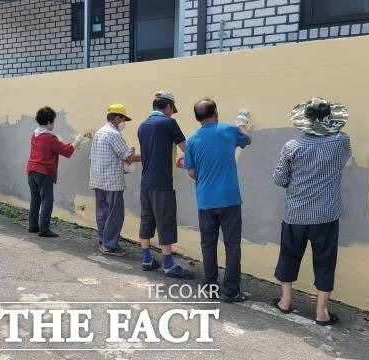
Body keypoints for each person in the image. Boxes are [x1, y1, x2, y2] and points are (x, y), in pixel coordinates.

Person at [272, 97, 351, 326]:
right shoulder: (342, 142)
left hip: (295, 214)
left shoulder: (292, 146)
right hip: (326, 215)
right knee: (325, 262)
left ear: (305, 121)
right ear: (330, 119)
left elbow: (279, 178)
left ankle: (285, 301)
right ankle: (321, 313)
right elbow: (345, 159)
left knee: (289, 256)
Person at [183, 98, 252, 302]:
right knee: (232, 245)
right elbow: (247, 139)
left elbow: (192, 172)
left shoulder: (192, 140)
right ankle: (231, 291)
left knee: (208, 244)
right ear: (216, 113)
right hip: (229, 199)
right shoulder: (229, 131)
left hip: (205, 200)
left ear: (197, 118)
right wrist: (242, 122)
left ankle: (211, 287)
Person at [137, 90, 192, 279]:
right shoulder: (169, 123)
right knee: (165, 221)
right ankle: (168, 264)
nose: (171, 112)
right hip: (163, 183)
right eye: (172, 109)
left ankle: (146, 259)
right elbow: (187, 148)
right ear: (168, 106)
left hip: (145, 181)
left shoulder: (142, 125)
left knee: (146, 219)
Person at [26, 106, 88, 238]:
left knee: (35, 199)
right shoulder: (49, 138)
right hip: (44, 172)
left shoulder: (35, 134)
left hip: (32, 171)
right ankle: (44, 229)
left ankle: (32, 226)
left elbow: (55, 148)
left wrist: (62, 142)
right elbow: (67, 151)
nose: (54, 124)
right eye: (53, 121)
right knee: (47, 201)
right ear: (48, 122)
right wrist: (79, 138)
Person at [89, 104, 141, 256]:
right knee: (115, 214)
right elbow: (129, 156)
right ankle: (109, 245)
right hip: (111, 181)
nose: (124, 122)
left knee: (102, 212)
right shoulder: (113, 133)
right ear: (117, 118)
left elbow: (95, 157)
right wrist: (149, 155)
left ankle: (103, 241)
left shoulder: (99, 132)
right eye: (123, 119)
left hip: (98, 179)